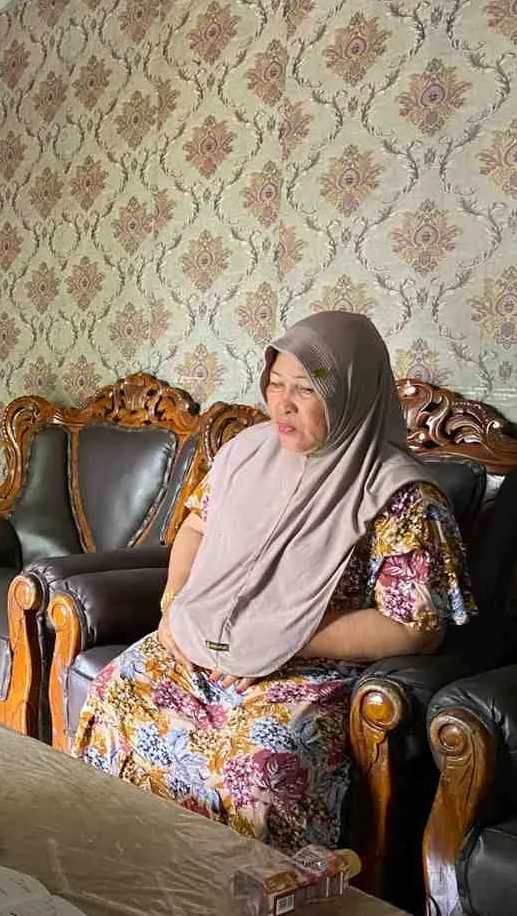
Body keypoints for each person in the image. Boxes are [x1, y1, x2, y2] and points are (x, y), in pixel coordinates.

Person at [71, 311, 474, 852]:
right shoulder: (245, 452)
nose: (282, 404)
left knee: (259, 766)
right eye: (276, 384)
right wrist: (175, 604)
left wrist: (282, 636)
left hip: (306, 669)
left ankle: (251, 888)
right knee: (116, 689)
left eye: (305, 390)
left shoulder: (402, 495)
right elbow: (196, 525)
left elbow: (416, 627)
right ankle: (117, 864)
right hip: (202, 642)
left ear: (352, 395)